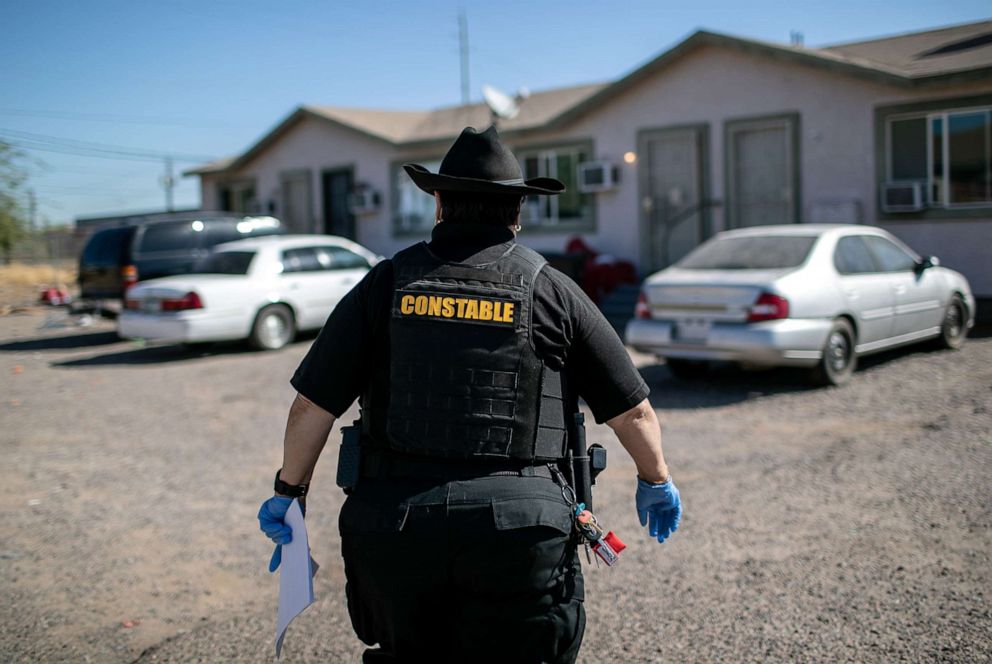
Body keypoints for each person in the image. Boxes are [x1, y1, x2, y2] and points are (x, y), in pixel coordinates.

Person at [258, 125, 682, 663]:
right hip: (520, 533)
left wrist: (289, 492)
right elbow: (634, 412)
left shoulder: (385, 284)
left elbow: (310, 406)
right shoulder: (552, 289)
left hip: (395, 527)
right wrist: (656, 478)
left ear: (439, 203)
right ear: (517, 211)